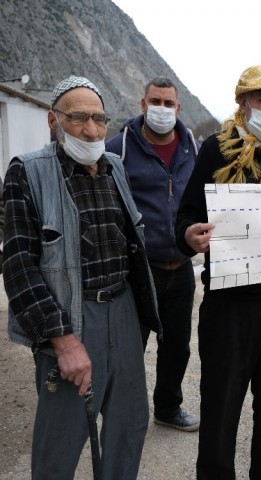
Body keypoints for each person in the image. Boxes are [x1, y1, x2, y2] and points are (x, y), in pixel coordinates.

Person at [3, 75, 161, 480]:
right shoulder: (27, 173)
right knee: (62, 435)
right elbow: (19, 267)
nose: (91, 129)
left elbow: (132, 241)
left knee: (129, 424)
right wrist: (64, 342)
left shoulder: (114, 167)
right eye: (77, 118)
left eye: (99, 118)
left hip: (122, 309)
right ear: (53, 122)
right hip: (70, 319)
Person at [174, 64, 261, 479]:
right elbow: (187, 216)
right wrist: (190, 236)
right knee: (221, 405)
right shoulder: (216, 148)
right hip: (230, 304)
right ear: (243, 103)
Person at [106, 76, 199, 432]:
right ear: (143, 105)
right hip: (139, 270)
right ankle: (125, 414)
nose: (162, 109)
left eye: (169, 103)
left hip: (182, 268)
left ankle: (168, 408)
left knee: (177, 346)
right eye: (155, 102)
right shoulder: (119, 148)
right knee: (131, 347)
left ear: (179, 108)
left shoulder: (192, 147)